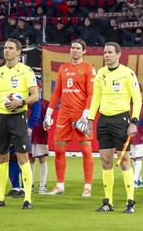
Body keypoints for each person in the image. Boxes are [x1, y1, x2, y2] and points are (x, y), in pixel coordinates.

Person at [0, 39, 39, 209]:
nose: (7, 51)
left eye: (11, 48)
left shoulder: (26, 71)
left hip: (18, 118)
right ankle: (0, 198)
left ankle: (27, 199)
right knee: (1, 157)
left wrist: (20, 103)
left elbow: (35, 96)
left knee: (23, 156)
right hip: (0, 118)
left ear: (18, 52)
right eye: (5, 48)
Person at [86, 42, 142, 213]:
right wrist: (90, 118)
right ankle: (107, 202)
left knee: (124, 161)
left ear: (119, 54)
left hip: (121, 120)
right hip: (103, 121)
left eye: (110, 52)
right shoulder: (101, 73)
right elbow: (96, 97)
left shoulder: (127, 73)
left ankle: (130, 202)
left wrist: (134, 121)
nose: (107, 55)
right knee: (106, 161)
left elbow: (137, 99)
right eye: (105, 52)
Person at [44, 39, 96, 197]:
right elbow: (57, 92)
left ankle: (87, 186)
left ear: (84, 51)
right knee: (59, 149)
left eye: (78, 48)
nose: (74, 50)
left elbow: (91, 93)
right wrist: (49, 112)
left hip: (80, 114)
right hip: (63, 114)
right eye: (72, 47)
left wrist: (86, 114)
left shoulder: (88, 69)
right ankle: (59, 185)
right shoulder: (63, 68)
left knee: (86, 149)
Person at [30, 81, 50, 194]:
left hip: (41, 133)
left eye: (36, 87)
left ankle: (42, 185)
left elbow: (49, 118)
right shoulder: (28, 103)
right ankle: (30, 183)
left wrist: (48, 123)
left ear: (40, 89)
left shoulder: (45, 103)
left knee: (42, 158)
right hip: (30, 133)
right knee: (30, 159)